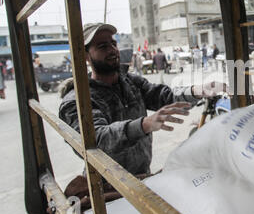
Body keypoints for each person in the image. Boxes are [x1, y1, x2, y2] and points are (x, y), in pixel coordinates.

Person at [59, 23, 227, 176]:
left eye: (113, 44)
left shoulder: (130, 82)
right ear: (85, 56)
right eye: (103, 46)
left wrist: (198, 90)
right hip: (106, 189)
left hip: (142, 178)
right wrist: (144, 124)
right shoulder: (76, 101)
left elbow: (163, 97)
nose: (112, 50)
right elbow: (97, 140)